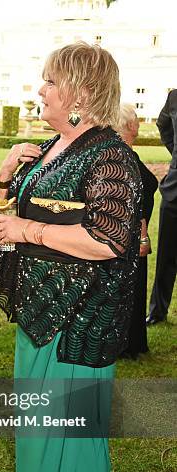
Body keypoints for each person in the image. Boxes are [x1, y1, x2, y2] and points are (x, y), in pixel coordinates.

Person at [0, 42, 142, 472]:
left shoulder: (109, 158)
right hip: (38, 314)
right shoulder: (52, 146)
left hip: (79, 323)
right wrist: (6, 181)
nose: (40, 90)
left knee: (74, 438)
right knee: (37, 427)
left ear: (77, 92)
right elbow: (7, 224)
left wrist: (30, 231)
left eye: (49, 82)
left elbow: (110, 238)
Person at [118, 104, 158, 358]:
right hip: (129, 237)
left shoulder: (125, 152)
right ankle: (126, 344)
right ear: (131, 126)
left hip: (130, 235)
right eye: (137, 120)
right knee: (127, 286)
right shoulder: (122, 154)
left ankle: (130, 341)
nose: (140, 124)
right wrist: (142, 231)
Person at [146, 89, 177, 325]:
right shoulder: (174, 96)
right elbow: (163, 124)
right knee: (166, 254)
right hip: (175, 190)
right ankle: (158, 312)